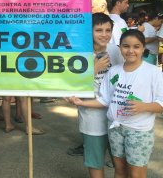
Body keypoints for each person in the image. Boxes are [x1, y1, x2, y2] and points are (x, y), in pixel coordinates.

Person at [68, 29, 163, 178]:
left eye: (136, 46)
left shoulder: (153, 72)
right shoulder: (114, 71)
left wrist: (143, 107)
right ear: (120, 48)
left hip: (138, 131)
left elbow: (161, 103)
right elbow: (104, 99)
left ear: (143, 48)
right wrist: (81, 102)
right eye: (126, 46)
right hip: (115, 128)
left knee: (136, 174)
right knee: (120, 170)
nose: (130, 50)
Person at [69, 13, 123, 177]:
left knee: (120, 164)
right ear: (89, 31)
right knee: (95, 162)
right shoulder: (77, 53)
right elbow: (70, 88)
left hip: (118, 118)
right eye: (99, 30)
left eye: (108, 30)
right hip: (92, 119)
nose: (104, 34)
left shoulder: (117, 50)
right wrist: (93, 69)